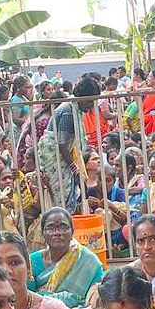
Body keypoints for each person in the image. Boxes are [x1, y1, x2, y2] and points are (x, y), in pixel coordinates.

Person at [38, 75, 103, 212]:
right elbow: (62, 144)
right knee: (61, 194)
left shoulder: (75, 108)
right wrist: (75, 169)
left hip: (63, 156)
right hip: (55, 155)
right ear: (82, 97)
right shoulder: (68, 110)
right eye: (90, 101)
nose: (92, 105)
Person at [29, 207, 105, 309]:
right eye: (51, 228)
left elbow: (96, 301)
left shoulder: (88, 261)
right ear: (43, 233)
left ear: (72, 231)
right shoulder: (32, 262)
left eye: (63, 227)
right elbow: (27, 299)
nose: (57, 233)